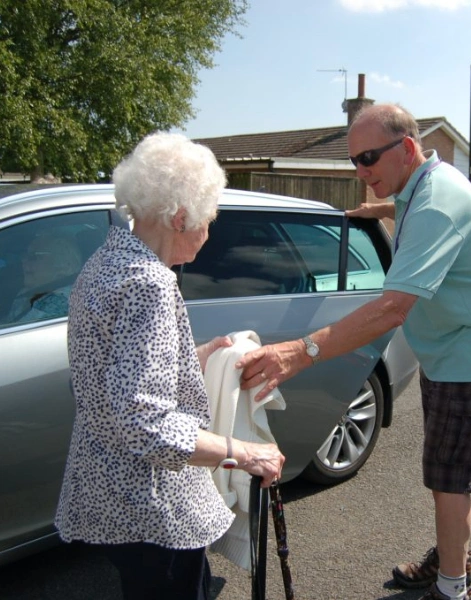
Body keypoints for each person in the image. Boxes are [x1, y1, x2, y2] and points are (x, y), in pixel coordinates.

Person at [236, 104, 471, 600]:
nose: (360, 170)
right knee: (447, 475)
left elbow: (392, 308)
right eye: (353, 160)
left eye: (368, 158)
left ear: (407, 148)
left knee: (450, 482)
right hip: (450, 352)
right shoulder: (419, 187)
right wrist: (383, 211)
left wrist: (299, 352)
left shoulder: (435, 202)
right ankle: (453, 556)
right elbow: (414, 210)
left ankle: (452, 587)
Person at [55, 132, 285, 600]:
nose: (209, 231)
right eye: (209, 219)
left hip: (107, 492)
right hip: (150, 505)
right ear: (181, 217)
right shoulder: (150, 284)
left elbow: (117, 373)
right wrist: (245, 452)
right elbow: (146, 424)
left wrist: (195, 356)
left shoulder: (104, 262)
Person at [7, 234, 81, 323]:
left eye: (33, 256)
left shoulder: (61, 302)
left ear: (64, 266)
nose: (24, 261)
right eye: (25, 255)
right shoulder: (26, 292)